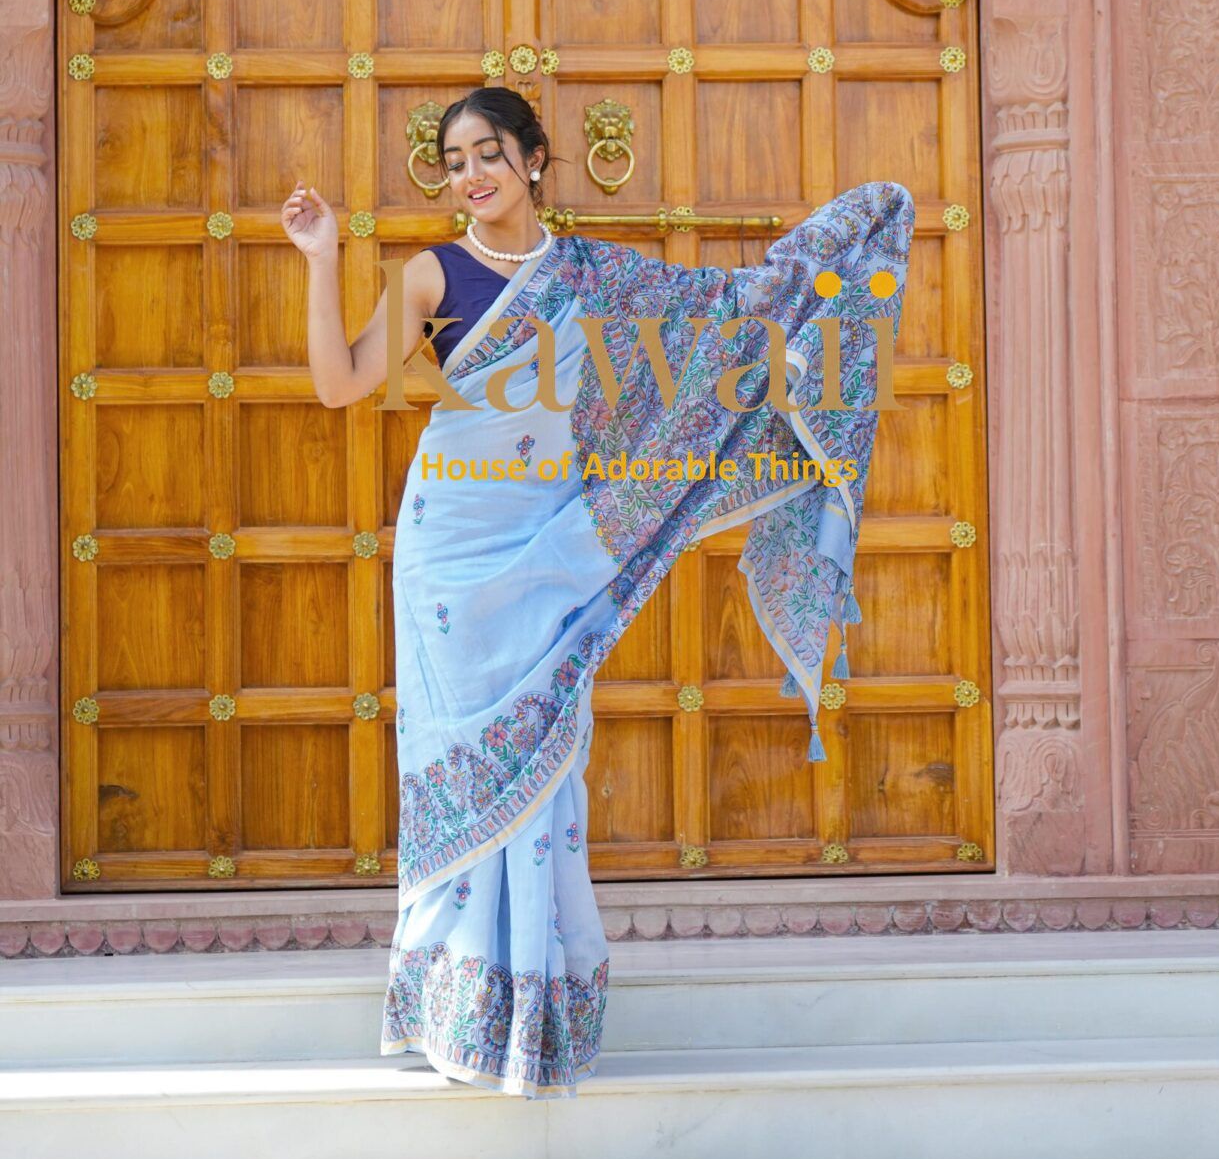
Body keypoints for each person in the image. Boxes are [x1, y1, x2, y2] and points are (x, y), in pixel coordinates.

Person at [282, 87, 913, 1098]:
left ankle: (530, 1010)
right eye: (455, 160)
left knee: (546, 764)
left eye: (490, 153)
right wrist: (320, 259)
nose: (472, 175)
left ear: (535, 159)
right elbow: (340, 383)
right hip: (453, 548)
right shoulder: (430, 273)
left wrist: (822, 269)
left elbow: (722, 314)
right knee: (460, 765)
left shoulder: (595, 274)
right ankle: (454, 1007)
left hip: (557, 545)